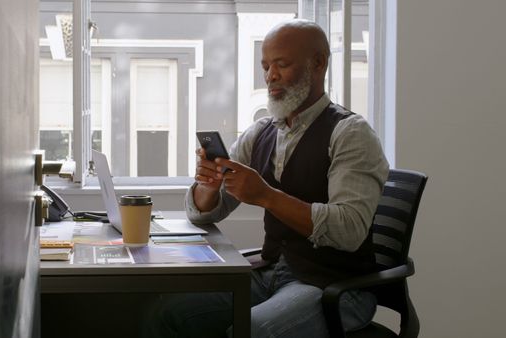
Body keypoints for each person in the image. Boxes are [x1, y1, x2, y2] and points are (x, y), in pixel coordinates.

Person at [145, 19, 389, 338]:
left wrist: (266, 196)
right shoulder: (261, 132)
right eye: (266, 66)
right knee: (165, 313)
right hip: (272, 272)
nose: (270, 76)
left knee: (251, 331)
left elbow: (348, 230)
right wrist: (209, 186)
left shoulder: (351, 134)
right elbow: (203, 213)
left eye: (282, 64)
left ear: (319, 63)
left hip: (335, 286)